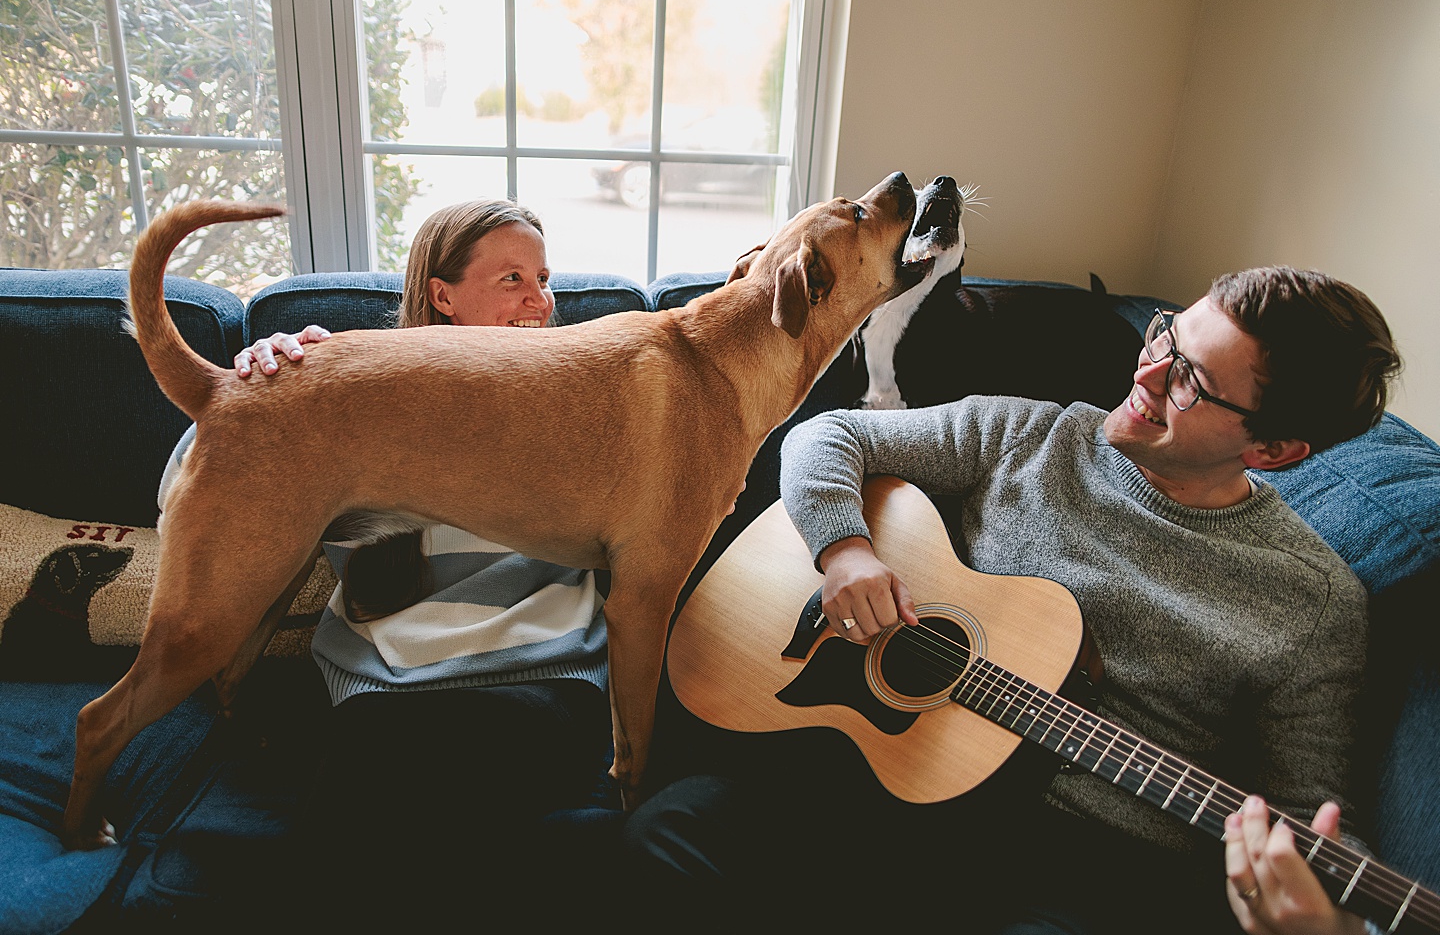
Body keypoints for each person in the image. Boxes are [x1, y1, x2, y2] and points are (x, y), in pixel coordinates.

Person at [623, 266, 1402, 935]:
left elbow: (1314, 820)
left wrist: (1337, 924)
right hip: (889, 769)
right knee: (669, 837)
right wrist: (844, 548)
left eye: (1190, 381)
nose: (1148, 372)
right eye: (1167, 336)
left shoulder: (1313, 602)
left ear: (1273, 451)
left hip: (1078, 866)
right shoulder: (1038, 436)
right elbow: (829, 438)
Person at [160, 199, 619, 928]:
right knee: (376, 782)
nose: (541, 300)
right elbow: (192, 502)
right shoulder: (350, 395)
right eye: (511, 279)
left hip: (542, 675)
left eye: (543, 277)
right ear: (442, 295)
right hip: (383, 689)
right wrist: (253, 399)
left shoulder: (587, 396)